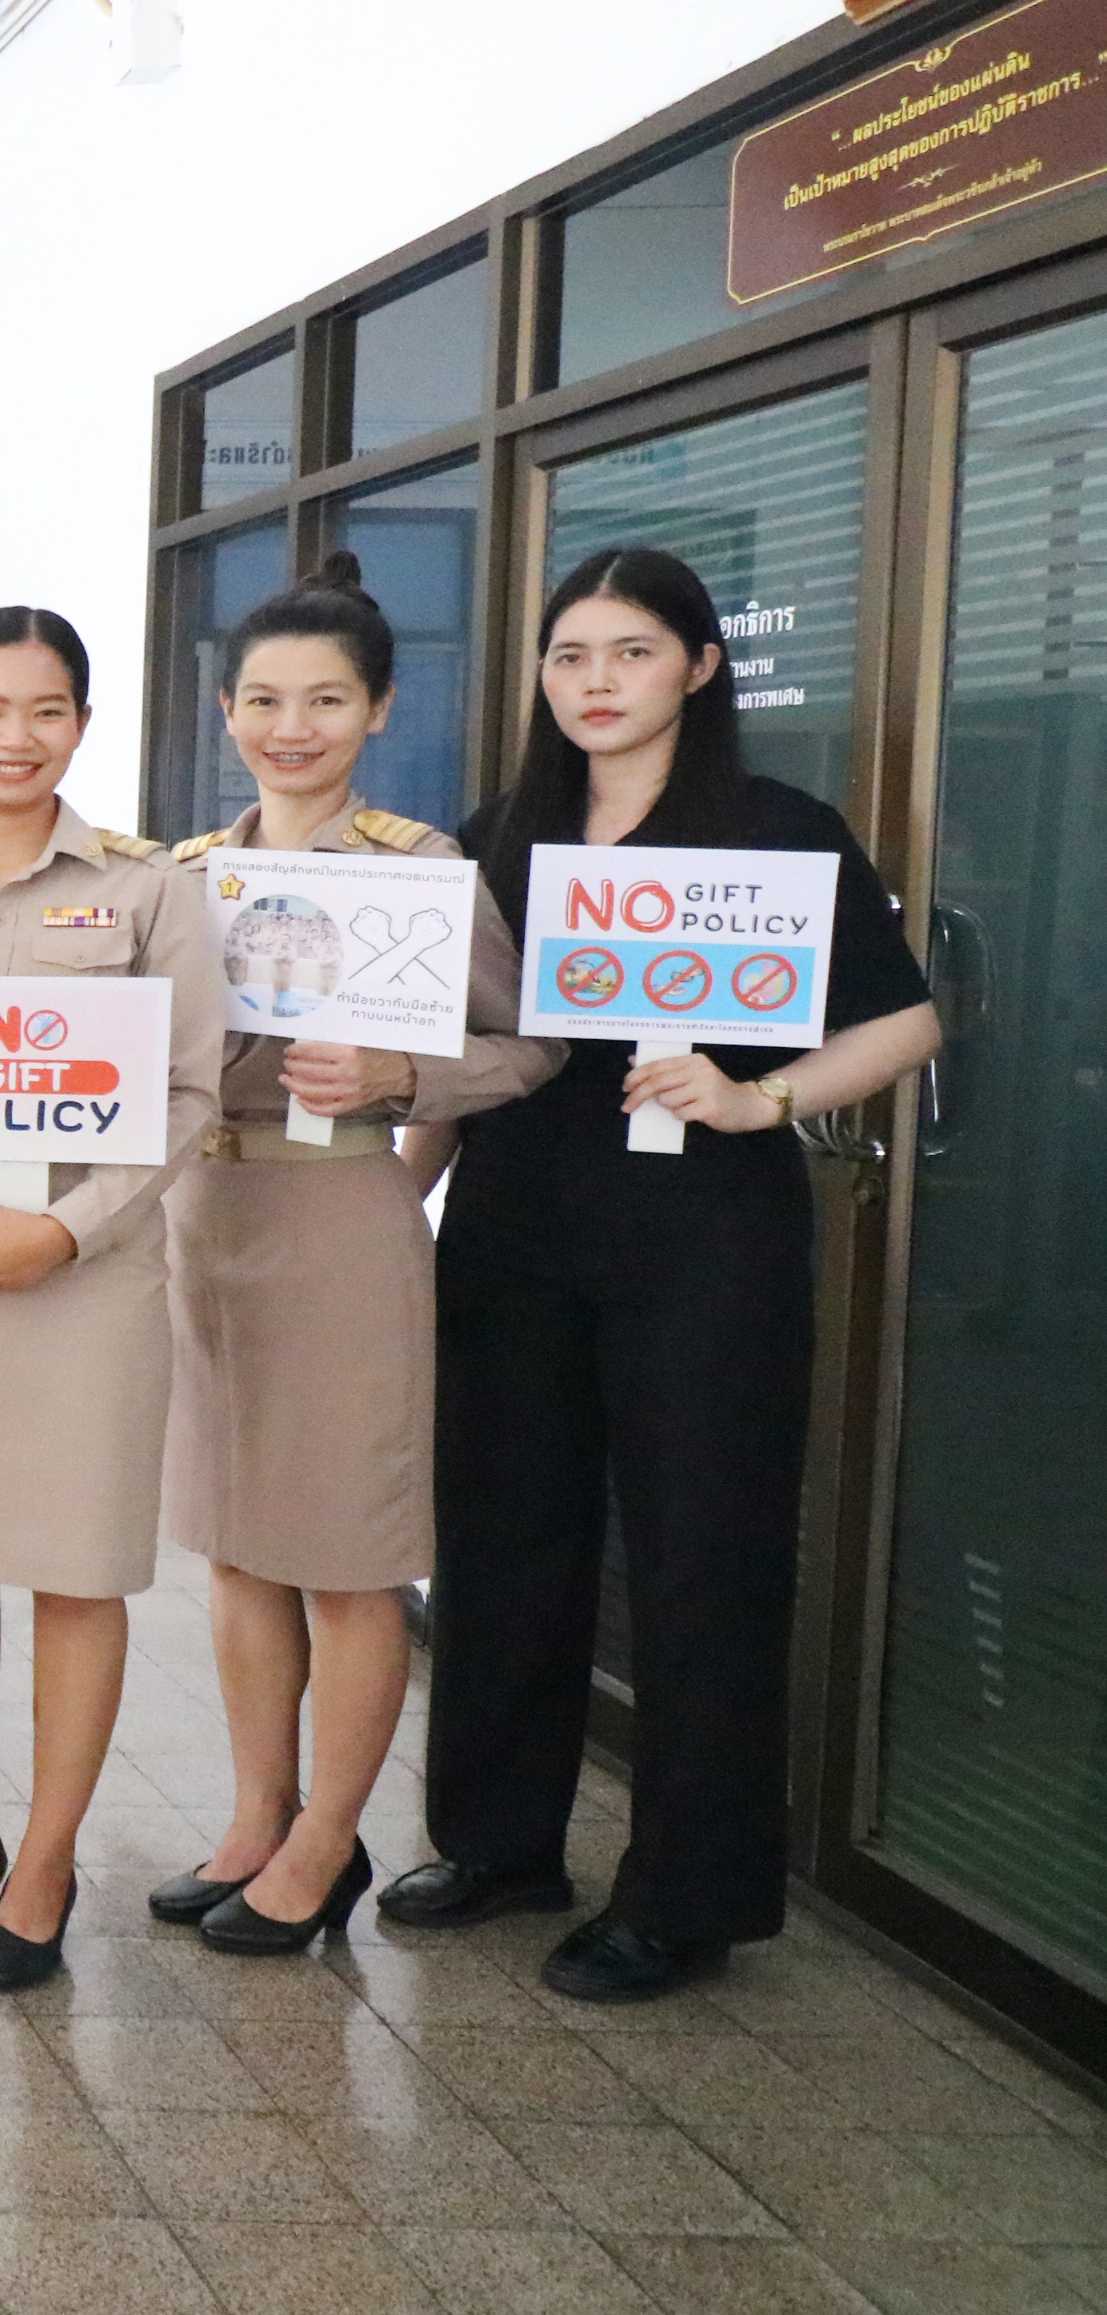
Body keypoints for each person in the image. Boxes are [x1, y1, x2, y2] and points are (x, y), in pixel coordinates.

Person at [390, 547, 938, 2002]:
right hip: (517, 1229)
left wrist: (767, 1096)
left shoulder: (776, 832)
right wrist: (393, 1202)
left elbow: (908, 1024)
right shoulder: (498, 837)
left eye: (631, 653)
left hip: (709, 1247)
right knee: (504, 1539)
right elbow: (451, 1057)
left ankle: (687, 1894)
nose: (596, 683)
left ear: (698, 665)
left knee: (704, 1560)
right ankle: (501, 1843)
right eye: (571, 656)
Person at [151, 556, 556, 1955]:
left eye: (326, 698)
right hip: (208, 1222)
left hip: (338, 1222)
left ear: (378, 708)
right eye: (264, 698)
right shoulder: (186, 877)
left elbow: (534, 1041)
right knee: (236, 1547)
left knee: (346, 1556)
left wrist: (401, 1070)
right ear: (225, 710)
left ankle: (330, 1840)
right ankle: (256, 1818)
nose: (292, 724)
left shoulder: (420, 873)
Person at [0, 606, 221, 1991]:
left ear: (83, 724)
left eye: (48, 710)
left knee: (74, 1573)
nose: (16, 737)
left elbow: (186, 1097)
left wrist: (64, 1233)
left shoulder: (147, 891)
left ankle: (52, 1856)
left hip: (91, 1281)